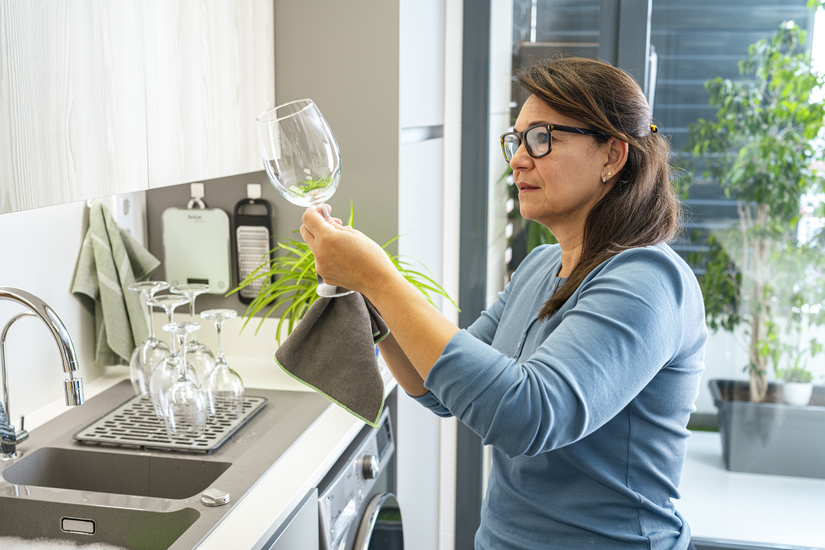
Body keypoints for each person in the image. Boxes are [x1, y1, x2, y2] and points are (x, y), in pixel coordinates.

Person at [300, 56, 707, 550]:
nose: (517, 159)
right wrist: (368, 291)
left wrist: (380, 278)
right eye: (515, 141)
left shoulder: (647, 280)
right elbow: (439, 388)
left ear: (612, 155)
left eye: (542, 138)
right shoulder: (540, 266)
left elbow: (528, 415)